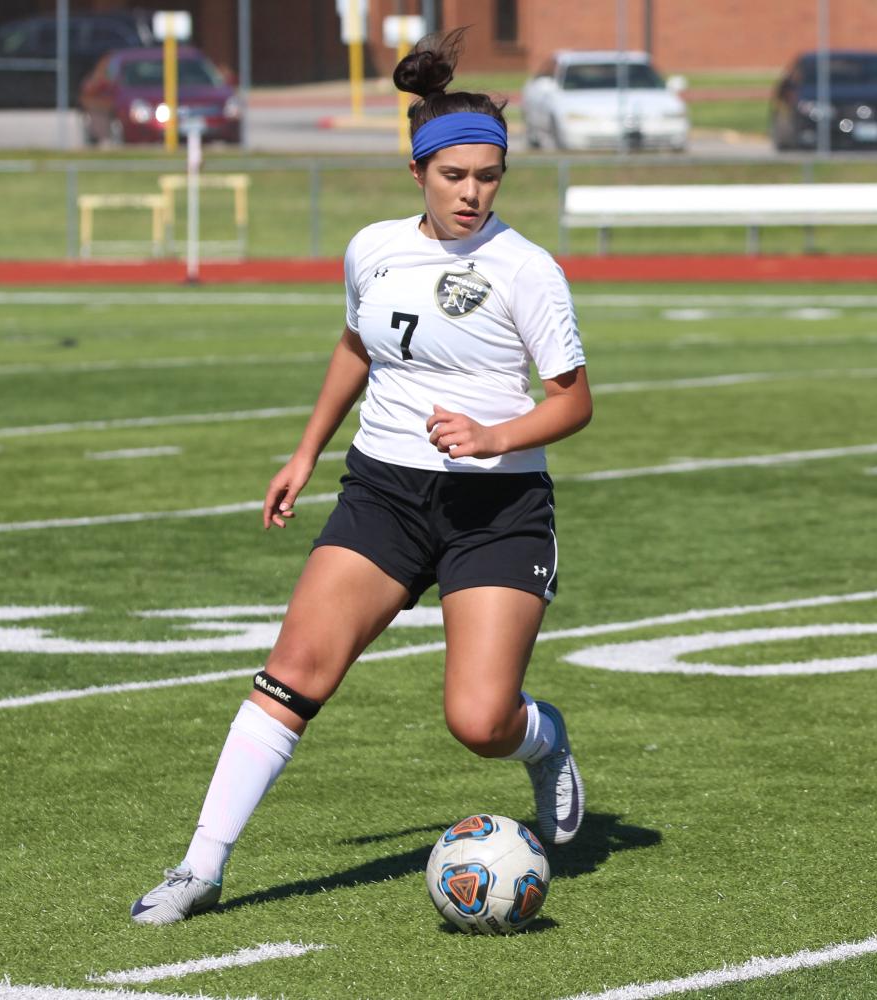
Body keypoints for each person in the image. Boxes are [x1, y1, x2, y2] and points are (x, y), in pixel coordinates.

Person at [130, 29, 592, 925]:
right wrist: (306, 451)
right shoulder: (373, 247)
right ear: (417, 171)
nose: (472, 193)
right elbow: (357, 344)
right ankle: (200, 867)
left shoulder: (527, 270)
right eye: (454, 176)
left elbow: (572, 403)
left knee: (478, 722)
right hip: (382, 492)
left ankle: (543, 740)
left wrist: (493, 433)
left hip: (495, 509)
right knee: (295, 669)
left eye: (487, 177)